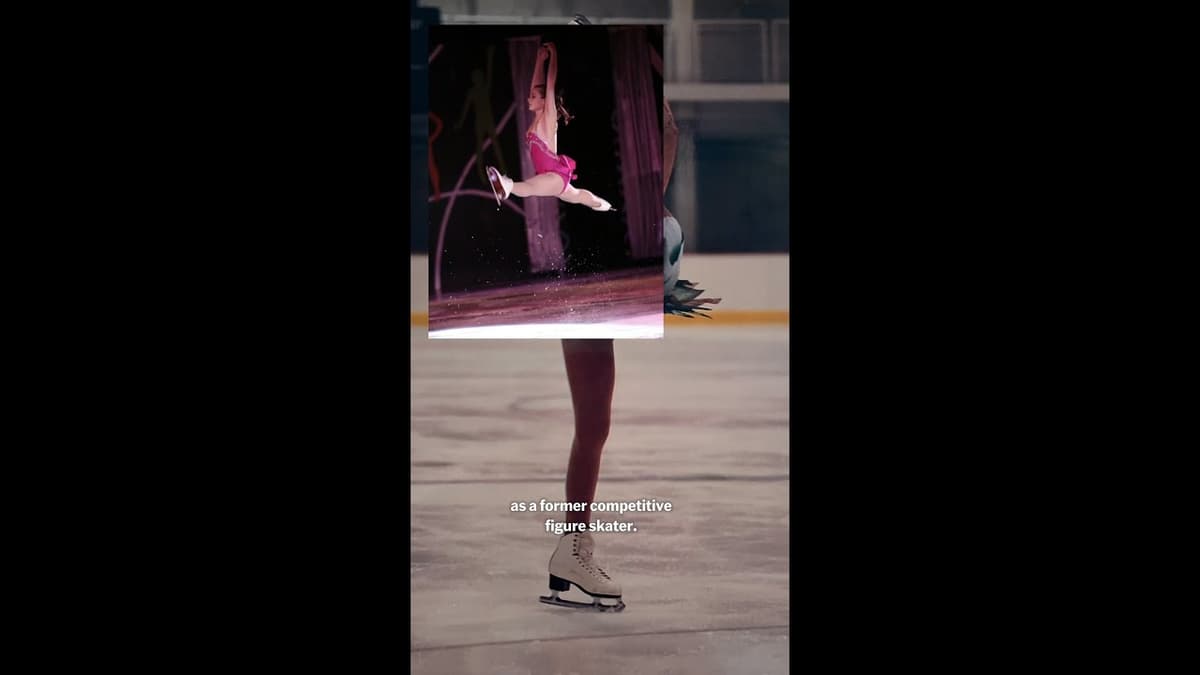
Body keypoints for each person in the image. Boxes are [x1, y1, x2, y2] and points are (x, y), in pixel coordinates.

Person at [486, 42, 616, 212]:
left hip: (554, 177)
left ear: (544, 100)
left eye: (533, 97)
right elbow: (537, 86)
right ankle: (602, 205)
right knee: (577, 195)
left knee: (529, 187)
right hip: (548, 176)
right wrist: (540, 60)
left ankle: (507, 185)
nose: (528, 99)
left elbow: (550, 82)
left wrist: (553, 55)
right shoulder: (537, 118)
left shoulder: (548, 118)